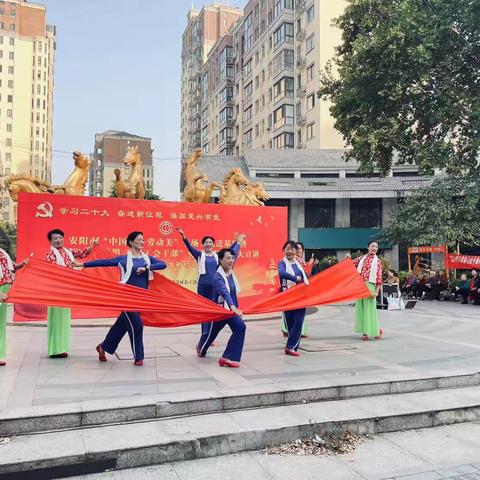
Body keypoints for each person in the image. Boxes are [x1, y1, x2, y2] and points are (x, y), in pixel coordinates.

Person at [81, 231, 167, 366]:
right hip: (126, 297)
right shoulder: (122, 259)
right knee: (137, 325)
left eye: (143, 240)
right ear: (131, 242)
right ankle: (139, 357)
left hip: (141, 298)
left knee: (122, 325)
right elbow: (103, 262)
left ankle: (103, 347)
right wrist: (83, 265)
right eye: (139, 240)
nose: (142, 242)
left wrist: (147, 268)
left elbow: (163, 264)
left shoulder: (147, 259)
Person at [176, 228, 245, 336]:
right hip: (203, 287)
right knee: (204, 311)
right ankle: (205, 333)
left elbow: (229, 250)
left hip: (215, 288)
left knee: (214, 310)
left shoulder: (218, 255)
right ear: (203, 245)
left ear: (213, 244)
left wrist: (237, 241)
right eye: (206, 242)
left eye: (210, 242)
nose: (208, 244)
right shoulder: (199, 255)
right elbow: (189, 248)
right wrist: (184, 236)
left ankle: (211, 332)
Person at [45, 229, 98, 359]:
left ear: (63, 239)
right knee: (57, 319)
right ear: (51, 241)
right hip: (57, 290)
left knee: (64, 319)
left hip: (66, 290)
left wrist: (93, 244)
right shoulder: (51, 254)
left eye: (60, 238)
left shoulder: (68, 252)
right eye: (55, 239)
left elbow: (84, 252)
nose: (58, 240)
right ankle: (56, 349)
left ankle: (59, 348)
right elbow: (51, 272)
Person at [196, 248, 246, 368]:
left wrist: (238, 242)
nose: (231, 260)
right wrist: (233, 307)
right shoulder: (217, 277)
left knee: (241, 327)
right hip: (219, 312)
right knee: (209, 337)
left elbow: (231, 294)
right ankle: (201, 347)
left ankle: (227, 357)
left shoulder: (231, 273)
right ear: (220, 260)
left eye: (232, 258)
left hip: (230, 312)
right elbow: (225, 293)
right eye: (228, 258)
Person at [278, 240, 309, 356]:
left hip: (301, 297)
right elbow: (281, 273)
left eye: (292, 249)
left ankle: (292, 347)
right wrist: (294, 278)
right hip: (287, 297)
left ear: (296, 251)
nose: (290, 251)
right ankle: (290, 345)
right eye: (287, 249)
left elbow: (306, 277)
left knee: (299, 322)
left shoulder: (299, 264)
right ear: (284, 251)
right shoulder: (282, 263)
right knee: (290, 323)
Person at [349, 241, 383, 341]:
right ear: (368, 247)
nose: (374, 248)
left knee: (370, 310)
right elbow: (350, 264)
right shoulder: (361, 258)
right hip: (360, 286)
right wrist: (347, 258)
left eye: (376, 247)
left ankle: (371, 331)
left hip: (370, 285)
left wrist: (376, 292)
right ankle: (370, 331)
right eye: (372, 246)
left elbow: (379, 278)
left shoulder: (378, 261)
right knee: (361, 309)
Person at [0, 249, 28, 366]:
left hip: (4, 288)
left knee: (1, 324)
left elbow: (10, 266)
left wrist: (22, 264)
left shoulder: (1, 252)